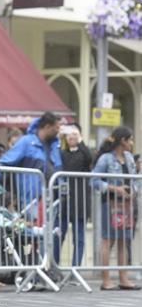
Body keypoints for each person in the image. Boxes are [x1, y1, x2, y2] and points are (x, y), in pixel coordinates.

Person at [92, 126, 140, 291]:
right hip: (110, 204)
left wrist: (134, 192)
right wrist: (114, 188)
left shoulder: (129, 157)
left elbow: (134, 179)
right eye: (130, 139)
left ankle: (124, 278)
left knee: (123, 240)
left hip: (127, 204)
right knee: (108, 240)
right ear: (123, 141)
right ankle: (106, 280)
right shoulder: (106, 158)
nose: (132, 143)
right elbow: (94, 181)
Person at [53, 123, 92, 266]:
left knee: (79, 238)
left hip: (80, 201)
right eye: (70, 134)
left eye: (75, 134)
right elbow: (55, 159)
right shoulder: (62, 153)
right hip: (64, 201)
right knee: (58, 235)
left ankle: (75, 269)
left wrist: (81, 141)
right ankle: (55, 267)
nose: (72, 137)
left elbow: (89, 158)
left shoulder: (84, 152)